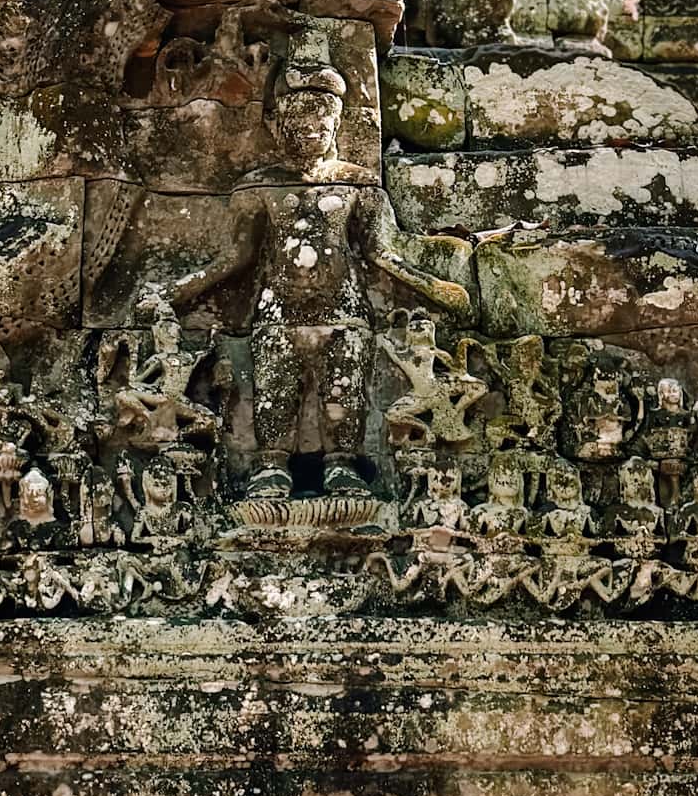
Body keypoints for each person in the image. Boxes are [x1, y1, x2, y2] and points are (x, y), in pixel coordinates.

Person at [173, 28, 473, 500]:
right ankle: (270, 465)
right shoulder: (259, 187)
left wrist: (434, 287)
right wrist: (178, 293)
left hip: (344, 309)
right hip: (277, 311)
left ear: (337, 125)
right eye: (299, 120)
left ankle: (342, 465)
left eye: (322, 122)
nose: (312, 131)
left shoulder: (359, 186)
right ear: (276, 124)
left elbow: (379, 252)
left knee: (344, 393)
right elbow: (235, 258)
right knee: (275, 389)